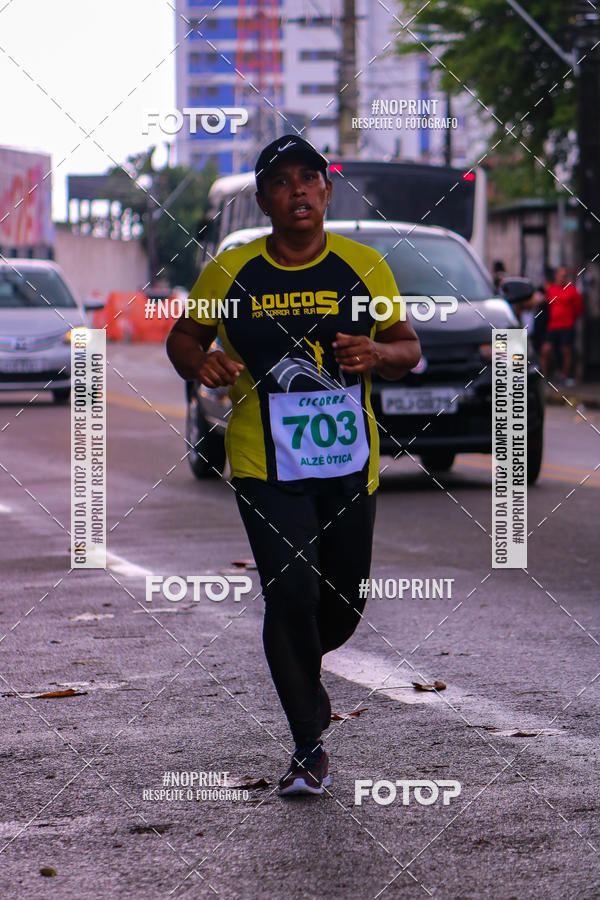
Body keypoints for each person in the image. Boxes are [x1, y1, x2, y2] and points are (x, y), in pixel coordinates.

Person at [166, 135, 421, 796]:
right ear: (264, 200)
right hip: (262, 461)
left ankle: (305, 681)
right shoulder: (232, 271)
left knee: (340, 605)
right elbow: (185, 336)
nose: (299, 191)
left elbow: (407, 346)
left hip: (346, 463)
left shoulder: (366, 267)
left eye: (311, 178)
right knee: (292, 595)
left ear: (327, 192)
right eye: (283, 182)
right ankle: (308, 746)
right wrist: (202, 365)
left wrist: (378, 355)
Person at [541, 266, 583, 386]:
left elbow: (578, 309)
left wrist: (570, 318)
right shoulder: (551, 290)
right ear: (556, 276)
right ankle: (543, 377)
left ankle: (564, 376)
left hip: (567, 325)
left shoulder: (572, 290)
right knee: (546, 350)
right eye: (561, 275)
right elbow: (546, 306)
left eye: (565, 275)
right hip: (553, 325)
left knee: (566, 351)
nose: (563, 277)